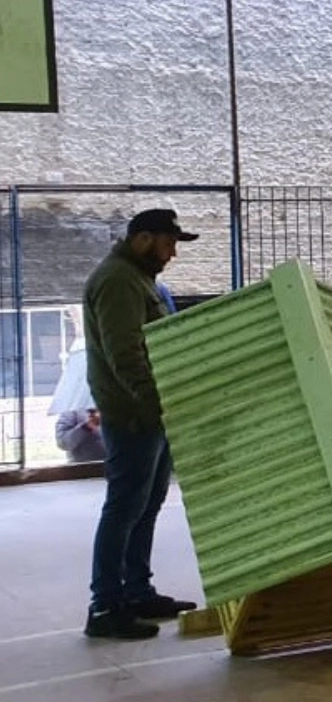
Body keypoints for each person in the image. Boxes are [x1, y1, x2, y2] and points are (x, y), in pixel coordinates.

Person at [83, 209, 200, 640]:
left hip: (152, 412)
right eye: (168, 244)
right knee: (124, 507)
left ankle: (136, 591)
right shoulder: (117, 280)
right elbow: (126, 355)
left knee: (145, 506)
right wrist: (153, 406)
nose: (172, 254)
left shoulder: (139, 280)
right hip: (134, 415)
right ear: (143, 239)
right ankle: (106, 604)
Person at [47, 338, 106, 463]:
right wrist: (86, 427)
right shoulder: (73, 408)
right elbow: (63, 442)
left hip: (112, 465)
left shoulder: (114, 402)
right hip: (82, 468)